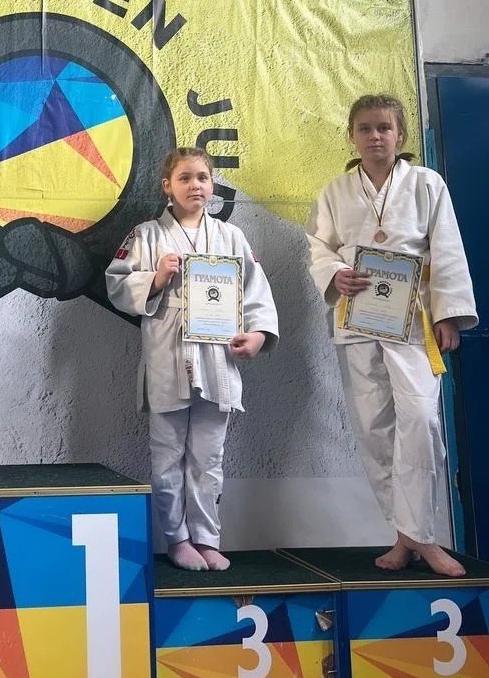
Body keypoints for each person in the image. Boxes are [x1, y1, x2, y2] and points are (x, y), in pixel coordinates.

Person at [306, 94, 477, 577]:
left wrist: (448, 314)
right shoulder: (336, 191)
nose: (375, 136)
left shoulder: (426, 184)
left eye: (384, 127)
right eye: (365, 128)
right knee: (373, 426)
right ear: (352, 136)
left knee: (420, 418)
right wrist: (334, 273)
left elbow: (447, 248)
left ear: (400, 135)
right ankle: (404, 536)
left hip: (413, 319)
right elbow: (318, 245)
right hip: (358, 317)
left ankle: (423, 536)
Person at [106, 147, 278, 570]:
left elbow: (256, 292)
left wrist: (258, 335)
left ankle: (206, 537)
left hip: (217, 359)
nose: (195, 185)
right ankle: (177, 539)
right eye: (184, 178)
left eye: (202, 177)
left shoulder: (231, 237)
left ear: (213, 183)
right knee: (167, 456)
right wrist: (156, 277)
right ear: (167, 186)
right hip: (167, 357)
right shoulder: (147, 235)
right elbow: (116, 284)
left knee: (209, 456)